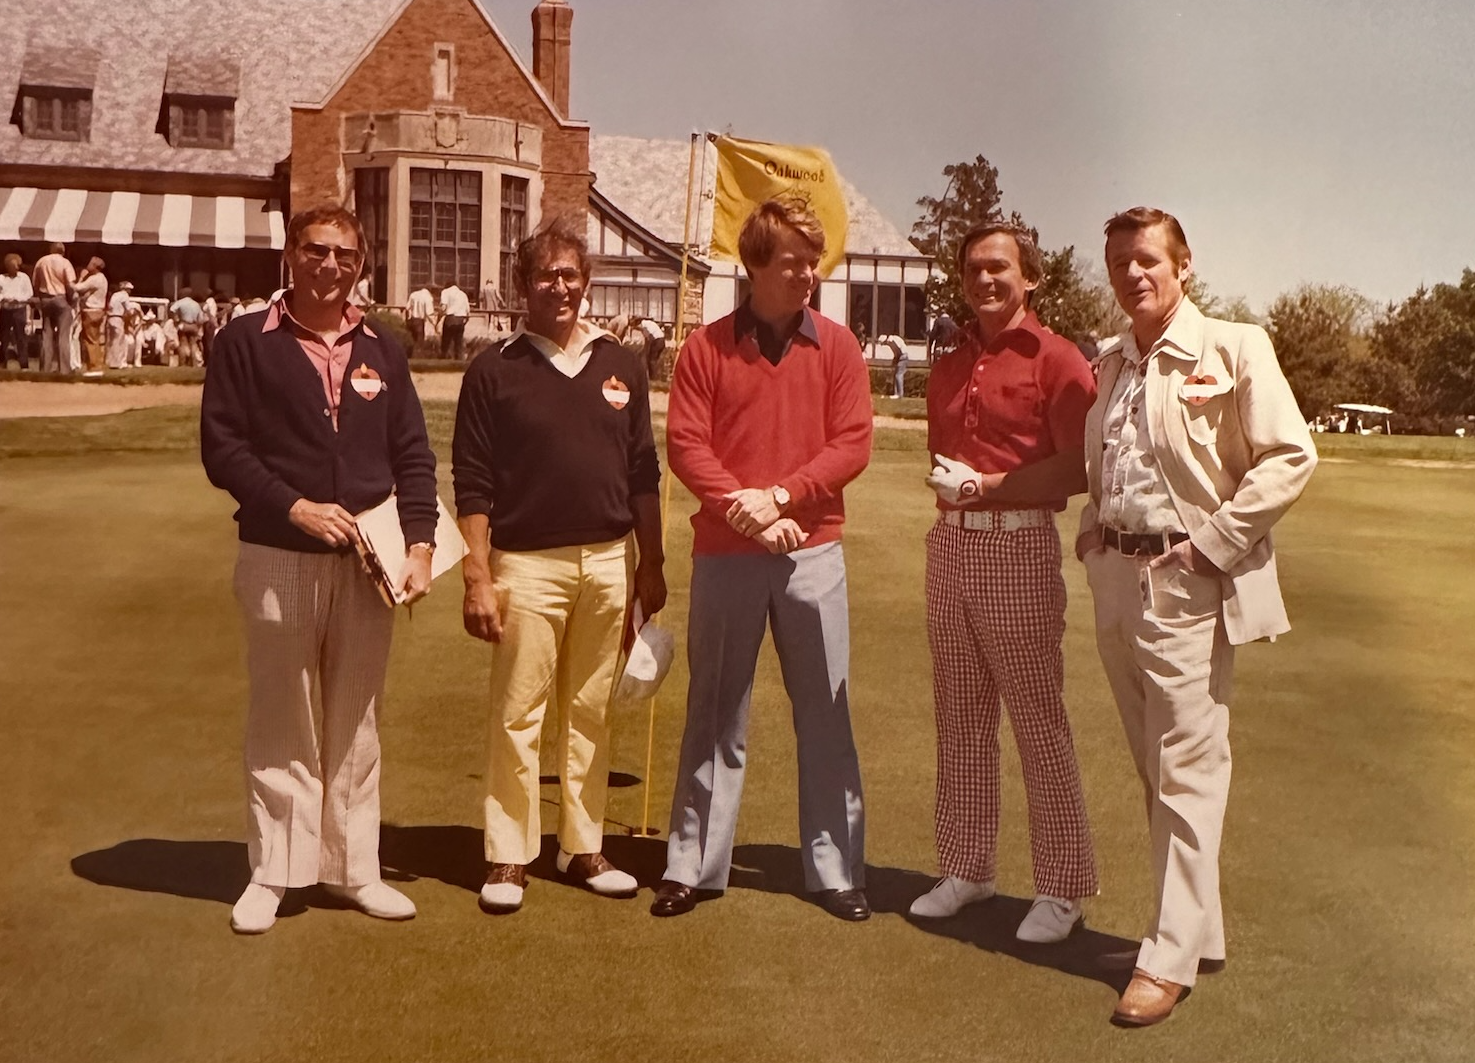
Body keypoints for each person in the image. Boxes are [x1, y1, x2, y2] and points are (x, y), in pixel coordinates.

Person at [1078, 207, 1317, 1026]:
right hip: (1113, 574)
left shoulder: (1234, 347)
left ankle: (1168, 955)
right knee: (1154, 762)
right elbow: (1109, 455)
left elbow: (1291, 455)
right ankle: (1198, 926)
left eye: (1146, 259)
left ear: (1182, 266)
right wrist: (1090, 528)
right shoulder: (1111, 360)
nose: (1131, 274)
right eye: (1118, 263)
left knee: (1186, 764)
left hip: (1186, 579)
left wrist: (1213, 543)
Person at [200, 203, 439, 935]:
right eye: (314, 251)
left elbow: (413, 454)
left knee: (356, 718)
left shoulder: (383, 348)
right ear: (289, 255)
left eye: (342, 254)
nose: (328, 265)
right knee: (284, 713)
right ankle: (275, 870)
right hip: (279, 551)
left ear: (360, 263)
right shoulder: (245, 341)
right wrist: (294, 506)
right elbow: (224, 449)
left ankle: (351, 868)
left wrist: (422, 543)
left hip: (368, 556)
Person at [651, 197, 873, 922]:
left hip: (813, 549)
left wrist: (781, 496)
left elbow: (851, 443)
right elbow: (687, 444)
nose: (808, 273)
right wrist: (741, 507)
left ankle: (834, 869)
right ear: (754, 265)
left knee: (825, 713)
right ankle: (692, 865)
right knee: (715, 712)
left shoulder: (837, 346)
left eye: (814, 261)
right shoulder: (704, 348)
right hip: (725, 551)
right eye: (793, 262)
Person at [453, 221, 665, 915]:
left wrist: (651, 562)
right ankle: (508, 854)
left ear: (587, 280)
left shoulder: (621, 363)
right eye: (546, 275)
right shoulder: (495, 368)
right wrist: (477, 574)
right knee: (518, 713)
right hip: (526, 565)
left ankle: (581, 845)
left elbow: (642, 471)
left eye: (571, 273)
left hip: (607, 559)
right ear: (523, 285)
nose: (560, 286)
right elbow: (473, 479)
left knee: (589, 710)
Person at [910, 223, 1099, 942]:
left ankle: (1062, 885)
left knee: (1035, 719)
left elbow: (1078, 466)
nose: (984, 280)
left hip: (1016, 547)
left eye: (999, 269)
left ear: (1030, 278)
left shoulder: (1057, 359)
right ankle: (967, 866)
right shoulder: (954, 359)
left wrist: (985, 484)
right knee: (959, 715)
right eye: (972, 270)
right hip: (949, 548)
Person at [32, 243, 76, 374]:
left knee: (47, 334)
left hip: (45, 299)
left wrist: (41, 297)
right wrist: (71, 300)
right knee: (63, 335)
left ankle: (45, 368)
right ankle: (64, 369)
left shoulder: (41, 261)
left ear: (51, 250)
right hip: (61, 298)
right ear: (63, 251)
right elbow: (70, 284)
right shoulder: (65, 263)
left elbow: (35, 283)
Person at [73, 257, 108, 372]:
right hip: (99, 310)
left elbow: (78, 288)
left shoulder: (94, 279)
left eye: (90, 263)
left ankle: (94, 367)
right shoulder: (103, 278)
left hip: (91, 311)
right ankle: (97, 365)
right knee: (95, 340)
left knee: (90, 340)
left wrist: (81, 277)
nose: (88, 265)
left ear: (95, 266)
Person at [0, 253, 33, 369]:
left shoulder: (24, 278)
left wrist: (17, 299)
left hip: (19, 310)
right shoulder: (2, 278)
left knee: (21, 338)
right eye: (13, 266)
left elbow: (29, 294)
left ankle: (24, 364)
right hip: (5, 310)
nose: (16, 268)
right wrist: (4, 298)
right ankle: (3, 363)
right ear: (7, 266)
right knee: (4, 337)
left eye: (17, 266)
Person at [171, 287, 204, 367]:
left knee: (183, 344)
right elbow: (200, 318)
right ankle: (193, 363)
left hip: (184, 324)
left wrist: (176, 319)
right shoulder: (196, 304)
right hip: (193, 325)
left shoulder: (180, 302)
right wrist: (197, 326)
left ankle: (182, 363)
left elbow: (172, 309)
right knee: (193, 345)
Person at [105, 281, 135, 369]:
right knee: (119, 341)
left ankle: (110, 361)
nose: (130, 291)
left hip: (110, 318)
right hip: (118, 318)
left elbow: (110, 306)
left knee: (111, 341)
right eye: (129, 289)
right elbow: (128, 309)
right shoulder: (124, 296)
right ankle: (118, 363)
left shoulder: (115, 295)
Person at [439, 280, 469, 359]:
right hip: (461, 319)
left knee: (446, 342)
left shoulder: (445, 292)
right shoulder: (463, 294)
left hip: (450, 318)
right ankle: (458, 360)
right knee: (458, 342)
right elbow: (468, 312)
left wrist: (438, 319)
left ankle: (444, 358)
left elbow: (443, 308)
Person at [880, 333, 909, 398]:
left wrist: (896, 359)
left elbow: (898, 351)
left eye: (884, 343)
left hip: (902, 357)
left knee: (898, 375)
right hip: (901, 356)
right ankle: (896, 393)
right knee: (896, 375)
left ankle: (899, 394)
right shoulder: (891, 341)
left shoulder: (891, 341)